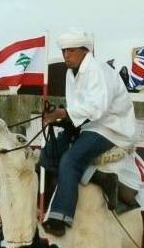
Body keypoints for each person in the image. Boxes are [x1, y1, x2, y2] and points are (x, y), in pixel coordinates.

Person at [39, 31, 137, 235]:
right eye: (64, 51)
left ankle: (60, 218)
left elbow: (97, 108)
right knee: (47, 154)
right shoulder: (70, 73)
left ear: (85, 51)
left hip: (111, 128)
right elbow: (79, 107)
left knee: (69, 160)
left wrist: (64, 113)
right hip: (88, 125)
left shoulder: (98, 70)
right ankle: (101, 178)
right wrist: (61, 118)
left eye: (71, 51)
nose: (66, 55)